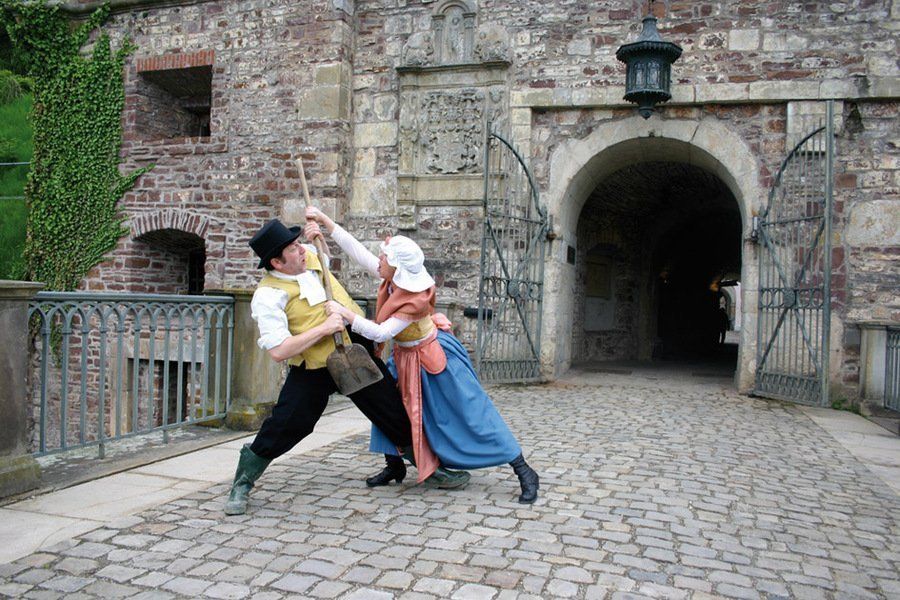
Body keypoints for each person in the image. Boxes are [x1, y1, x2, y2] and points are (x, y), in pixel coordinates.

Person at [224, 219, 469, 516]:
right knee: (289, 424)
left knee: (390, 409)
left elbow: (324, 261)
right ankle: (243, 480)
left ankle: (429, 469)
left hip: (354, 352)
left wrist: (320, 237)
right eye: (293, 248)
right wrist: (323, 329)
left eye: (300, 243)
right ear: (276, 262)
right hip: (314, 367)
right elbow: (279, 351)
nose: (301, 250)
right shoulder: (268, 296)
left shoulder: (309, 257)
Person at [304, 208, 541, 504]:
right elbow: (359, 253)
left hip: (433, 361)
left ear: (397, 267)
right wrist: (326, 222)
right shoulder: (391, 276)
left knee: (471, 413)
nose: (378, 260)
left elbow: (381, 333)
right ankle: (394, 466)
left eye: (384, 258)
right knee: (388, 409)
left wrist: (345, 314)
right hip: (405, 357)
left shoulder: (415, 298)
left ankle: (524, 470)